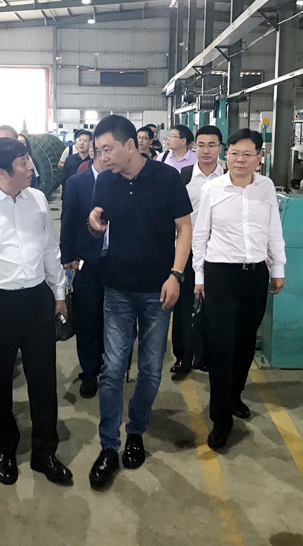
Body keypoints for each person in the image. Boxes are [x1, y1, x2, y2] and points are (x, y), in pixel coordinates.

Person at [0, 137, 72, 486]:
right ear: (2, 171)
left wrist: (59, 294)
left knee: (43, 379)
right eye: (23, 163)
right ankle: (6, 447)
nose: (31, 168)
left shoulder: (37, 200)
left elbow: (50, 249)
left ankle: (44, 452)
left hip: (36, 300)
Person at [86, 115, 192, 489]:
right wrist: (94, 225)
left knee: (149, 369)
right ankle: (108, 446)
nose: (103, 157)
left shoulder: (166, 178)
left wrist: (176, 274)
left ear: (130, 145)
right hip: (117, 288)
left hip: (157, 290)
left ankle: (136, 431)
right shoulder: (105, 181)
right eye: (99, 150)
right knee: (113, 368)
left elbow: (184, 227)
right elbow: (97, 224)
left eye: (108, 149)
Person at [192, 128, 286, 450]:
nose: (240, 160)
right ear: (226, 156)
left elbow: (274, 229)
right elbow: (200, 235)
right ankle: (221, 418)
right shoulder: (212, 189)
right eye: (234, 153)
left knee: (245, 344)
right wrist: (199, 277)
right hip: (220, 275)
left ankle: (235, 396)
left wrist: (278, 268)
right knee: (221, 346)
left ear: (260, 158)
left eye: (247, 154)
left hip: (255, 275)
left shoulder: (266, 188)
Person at [170, 125, 225, 378]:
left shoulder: (228, 178)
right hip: (188, 251)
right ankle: (183, 357)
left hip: (219, 253)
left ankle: (207, 356)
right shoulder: (184, 177)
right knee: (183, 306)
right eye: (201, 145)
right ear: (195, 147)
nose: (206, 151)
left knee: (214, 307)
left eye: (212, 145)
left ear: (220, 148)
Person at [60, 139, 106, 399]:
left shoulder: (124, 181)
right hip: (86, 262)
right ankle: (89, 371)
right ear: (94, 153)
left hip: (118, 262)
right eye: (103, 151)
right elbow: (67, 219)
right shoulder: (77, 182)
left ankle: (111, 365)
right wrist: (67, 256)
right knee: (88, 318)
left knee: (115, 319)